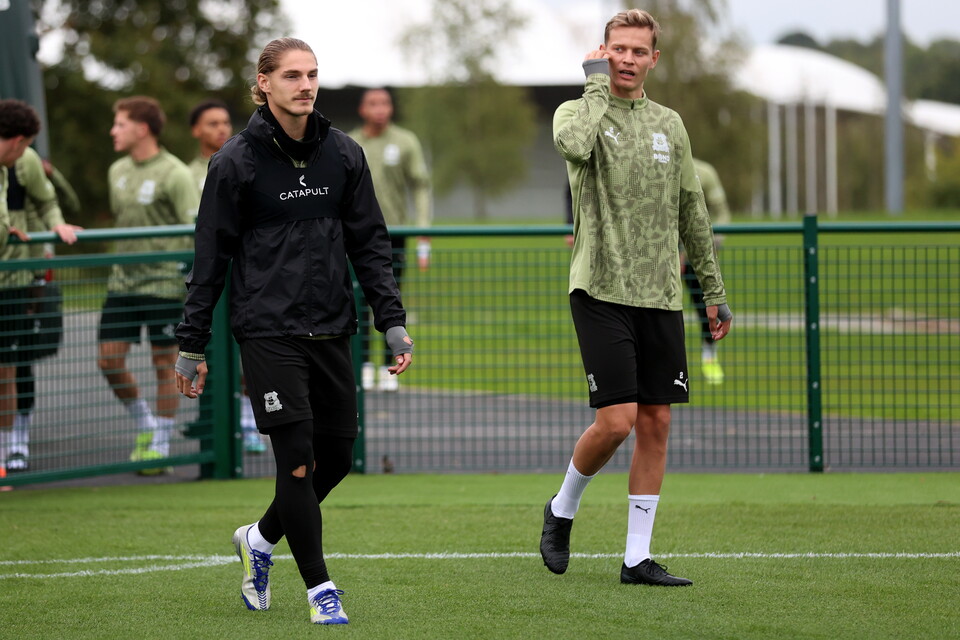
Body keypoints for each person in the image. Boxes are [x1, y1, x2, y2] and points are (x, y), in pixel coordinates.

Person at [174, 38, 413, 625]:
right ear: (264, 84)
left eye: (312, 75)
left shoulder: (345, 154)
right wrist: (191, 344)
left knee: (336, 458)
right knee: (298, 462)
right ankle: (320, 589)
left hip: (333, 328)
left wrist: (393, 321)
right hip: (267, 331)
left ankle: (259, 538)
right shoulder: (235, 162)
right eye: (291, 76)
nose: (305, 85)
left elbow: (371, 247)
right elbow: (210, 261)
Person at [540, 9, 732, 587]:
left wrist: (713, 292)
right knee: (617, 420)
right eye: (617, 49)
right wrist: (595, 82)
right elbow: (572, 146)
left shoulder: (670, 124)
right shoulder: (578, 111)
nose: (627, 59)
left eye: (637, 51)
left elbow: (693, 210)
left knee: (655, 424)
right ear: (603, 52)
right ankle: (561, 508)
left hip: (662, 296)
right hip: (598, 287)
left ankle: (636, 559)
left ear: (654, 59)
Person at [98, 96, 199, 474]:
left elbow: (195, 229)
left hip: (164, 286)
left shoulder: (175, 173)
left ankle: (160, 444)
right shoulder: (116, 170)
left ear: (142, 129)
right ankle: (146, 425)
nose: (113, 130)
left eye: (120, 124)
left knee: (163, 366)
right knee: (107, 360)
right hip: (122, 285)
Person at [185, 99, 264, 454]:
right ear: (196, 130)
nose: (220, 128)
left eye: (224, 122)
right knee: (205, 348)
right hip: (208, 273)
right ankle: (211, 424)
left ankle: (249, 421)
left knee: (246, 351)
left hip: (244, 273)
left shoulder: (245, 160)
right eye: (211, 123)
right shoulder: (187, 173)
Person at [3, 145, 83, 471]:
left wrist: (53, 175)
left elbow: (63, 203)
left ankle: (15, 442)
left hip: (25, 273)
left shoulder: (27, 162)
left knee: (17, 361)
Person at [348, 88, 430, 392]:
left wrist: (422, 227)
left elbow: (420, 185)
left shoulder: (405, 141)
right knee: (357, 301)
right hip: (355, 235)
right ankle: (364, 365)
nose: (379, 108)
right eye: (373, 103)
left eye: (384, 103)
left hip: (394, 235)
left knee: (388, 297)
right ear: (362, 109)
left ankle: (386, 365)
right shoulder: (352, 142)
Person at [0, 99, 41, 469]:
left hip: (12, 285)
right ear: (16, 141)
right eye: (26, 146)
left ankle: (7, 450)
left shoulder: (7, 168)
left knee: (8, 367)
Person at [684, 158, 731, 385]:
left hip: (697, 255)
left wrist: (708, 247)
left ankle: (709, 357)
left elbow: (721, 212)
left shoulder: (705, 172)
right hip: (661, 255)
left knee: (706, 308)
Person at [187, 99, 233, 196]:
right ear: (196, 130)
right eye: (213, 124)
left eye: (226, 123)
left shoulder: (245, 165)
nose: (222, 129)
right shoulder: (188, 175)